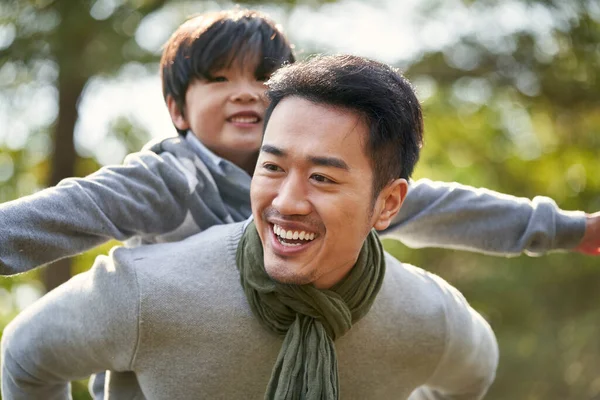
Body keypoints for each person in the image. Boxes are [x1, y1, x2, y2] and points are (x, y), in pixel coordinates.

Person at [1, 53, 499, 400]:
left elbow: (475, 373)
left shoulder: (429, 317)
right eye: (272, 167)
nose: (286, 202)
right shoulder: (145, 291)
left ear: (387, 204)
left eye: (322, 177)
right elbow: (26, 357)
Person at [0, 9, 597, 281]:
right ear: (177, 110)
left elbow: (448, 208)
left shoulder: (327, 184)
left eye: (263, 78)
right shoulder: (168, 180)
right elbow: (61, 214)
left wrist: (573, 229)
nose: (245, 93)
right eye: (218, 79)